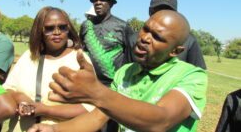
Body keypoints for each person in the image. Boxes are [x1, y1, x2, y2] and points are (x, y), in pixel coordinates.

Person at [28, 10, 208, 132]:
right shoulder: (125, 72)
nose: (144, 38)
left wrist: (96, 93)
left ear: (175, 51)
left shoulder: (191, 76)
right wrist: (55, 129)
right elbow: (98, 117)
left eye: (157, 37)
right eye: (145, 29)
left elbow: (161, 120)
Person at [2, 6, 94, 132]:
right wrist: (21, 99)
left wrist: (46, 110)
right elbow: (7, 89)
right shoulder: (28, 56)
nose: (57, 32)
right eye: (50, 28)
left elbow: (90, 107)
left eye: (62, 27)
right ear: (39, 31)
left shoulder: (79, 59)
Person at [130, 0, 206, 69]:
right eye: (157, 10)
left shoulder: (189, 40)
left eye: (167, 11)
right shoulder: (135, 38)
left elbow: (197, 70)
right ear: (150, 11)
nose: (162, 14)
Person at [80, 0, 134, 86]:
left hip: (113, 84)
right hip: (88, 82)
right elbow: (81, 50)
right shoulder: (86, 25)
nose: (98, 3)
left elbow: (130, 57)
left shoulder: (122, 26)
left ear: (111, 3)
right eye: (95, 0)